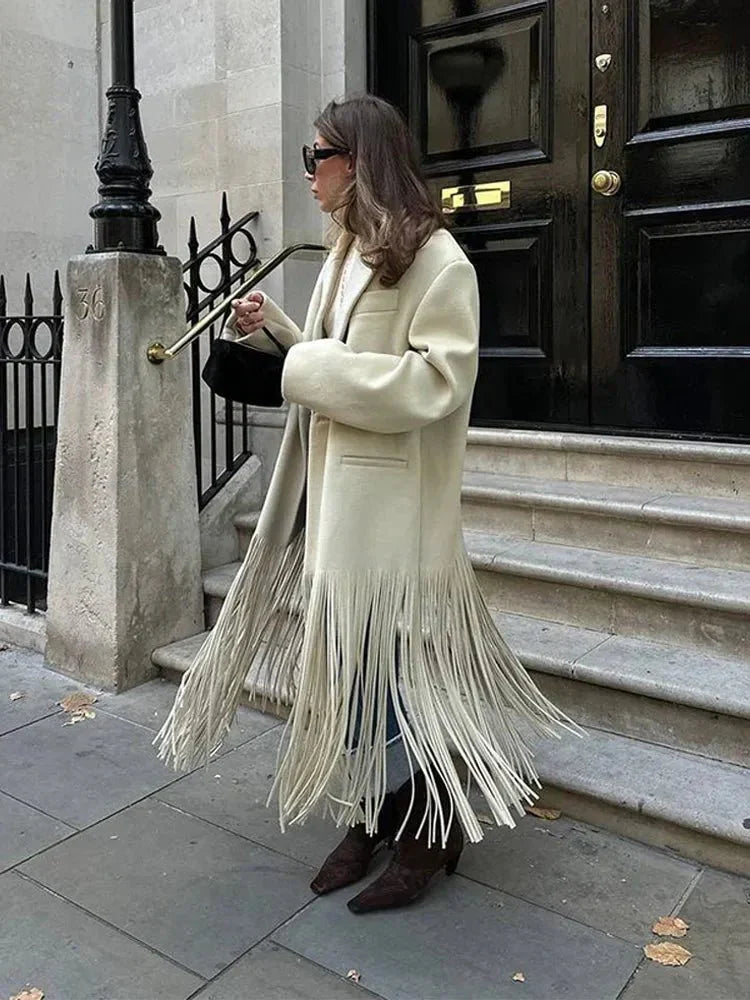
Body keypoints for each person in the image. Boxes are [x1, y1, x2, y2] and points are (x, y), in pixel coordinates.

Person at [154, 95, 580, 913]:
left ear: (358, 160)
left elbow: (436, 381)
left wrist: (297, 368)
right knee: (351, 674)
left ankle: (429, 824)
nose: (307, 175)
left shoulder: (440, 261)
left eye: (316, 157)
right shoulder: (348, 250)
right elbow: (335, 357)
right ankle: (379, 809)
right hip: (332, 497)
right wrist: (276, 329)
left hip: (390, 510)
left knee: (388, 677)